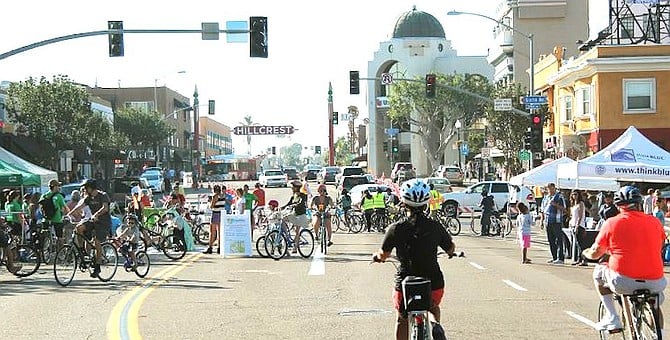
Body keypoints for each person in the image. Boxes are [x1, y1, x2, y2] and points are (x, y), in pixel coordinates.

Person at [372, 179, 454, 340]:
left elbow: (384, 254)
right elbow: (450, 247)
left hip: (405, 284)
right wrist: (450, 252)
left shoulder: (396, 228)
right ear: (426, 203)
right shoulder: (435, 226)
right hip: (433, 282)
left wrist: (377, 257)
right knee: (433, 307)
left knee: (401, 319)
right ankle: (435, 324)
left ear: (403, 202)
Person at [582, 186, 667, 332]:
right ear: (639, 204)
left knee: (598, 272)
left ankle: (612, 317)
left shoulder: (611, 223)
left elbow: (596, 253)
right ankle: (659, 333)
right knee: (654, 304)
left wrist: (586, 254)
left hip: (623, 280)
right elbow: (660, 244)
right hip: (656, 281)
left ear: (618, 206)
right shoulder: (655, 222)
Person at [65, 179, 112, 278]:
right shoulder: (88, 198)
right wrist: (68, 215)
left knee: (97, 242)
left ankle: (98, 266)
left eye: (86, 188)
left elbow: (105, 208)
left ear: (91, 187)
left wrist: (96, 214)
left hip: (103, 223)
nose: (84, 189)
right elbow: (79, 207)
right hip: (93, 221)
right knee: (79, 228)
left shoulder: (103, 195)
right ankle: (82, 252)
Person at [282, 181, 310, 253]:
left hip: (301, 215)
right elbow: (288, 204)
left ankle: (295, 247)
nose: (292, 188)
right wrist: (281, 207)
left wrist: (295, 205)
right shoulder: (293, 196)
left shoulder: (303, 195)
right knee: (282, 219)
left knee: (297, 231)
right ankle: (287, 236)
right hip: (294, 214)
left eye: (293, 187)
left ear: (296, 188)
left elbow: (301, 203)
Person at [41, 179, 69, 249]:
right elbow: (66, 209)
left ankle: (44, 251)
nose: (59, 187)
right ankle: (61, 252)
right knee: (60, 237)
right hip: (57, 219)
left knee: (44, 236)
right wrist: (65, 215)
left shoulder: (44, 196)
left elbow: (41, 208)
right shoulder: (59, 196)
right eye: (58, 186)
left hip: (46, 219)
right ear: (55, 187)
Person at [543, 183, 566, 264]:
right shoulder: (546, 197)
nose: (550, 190)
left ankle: (561, 258)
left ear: (554, 188)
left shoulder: (559, 197)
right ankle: (554, 257)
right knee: (551, 240)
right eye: (548, 189)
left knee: (559, 240)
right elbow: (543, 210)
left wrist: (556, 205)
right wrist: (542, 220)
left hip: (556, 221)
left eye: (551, 188)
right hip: (548, 220)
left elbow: (564, 209)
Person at [204, 185, 226, 254]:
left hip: (215, 213)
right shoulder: (223, 195)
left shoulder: (215, 196)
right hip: (221, 214)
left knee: (212, 231)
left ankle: (210, 247)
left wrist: (211, 201)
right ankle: (219, 248)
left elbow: (212, 206)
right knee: (220, 232)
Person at [568, 190, 588, 266]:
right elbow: (572, 216)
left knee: (580, 244)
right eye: (573, 194)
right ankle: (579, 259)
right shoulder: (573, 204)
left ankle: (584, 259)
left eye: (576, 194)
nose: (574, 196)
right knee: (576, 243)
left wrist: (577, 225)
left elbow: (580, 216)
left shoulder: (581, 204)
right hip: (572, 224)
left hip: (579, 226)